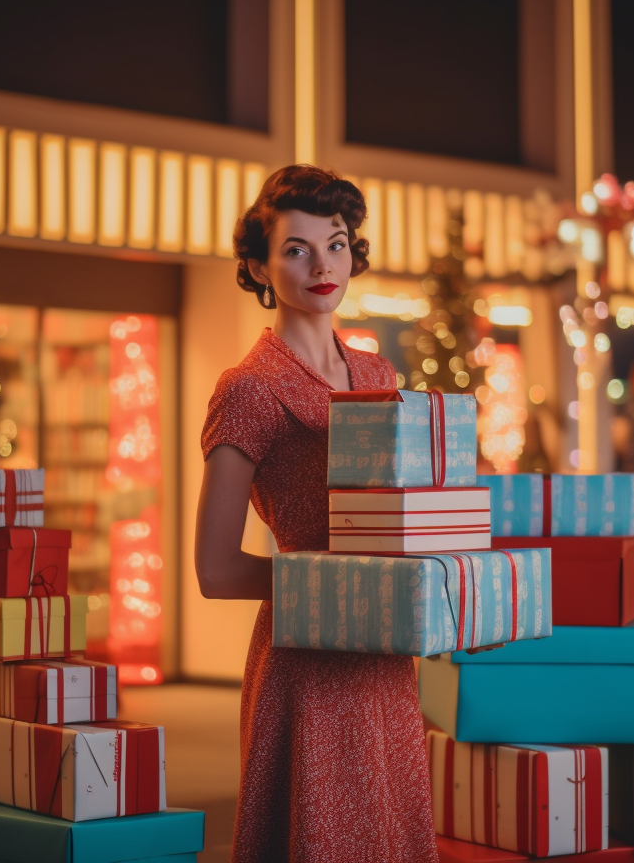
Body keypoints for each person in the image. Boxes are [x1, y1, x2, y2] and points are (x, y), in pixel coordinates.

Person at [195, 165, 438, 863]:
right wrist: (331, 587)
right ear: (259, 267)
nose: (322, 264)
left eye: (335, 243)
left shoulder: (379, 375)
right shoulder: (248, 388)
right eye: (295, 249)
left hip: (384, 656)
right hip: (304, 658)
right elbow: (213, 569)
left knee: (388, 834)